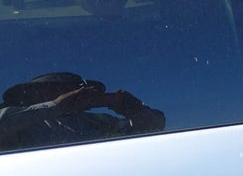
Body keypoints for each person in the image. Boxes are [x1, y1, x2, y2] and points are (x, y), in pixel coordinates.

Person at [0, 72, 165, 151]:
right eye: (51, 90)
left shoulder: (98, 122)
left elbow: (152, 129)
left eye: (76, 91)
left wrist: (135, 109)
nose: (72, 95)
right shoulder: (19, 120)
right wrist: (55, 106)